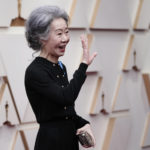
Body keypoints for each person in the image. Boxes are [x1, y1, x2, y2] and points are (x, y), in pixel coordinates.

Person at [24, 5, 97, 150]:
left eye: (67, 32)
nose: (65, 39)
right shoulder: (35, 71)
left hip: (69, 142)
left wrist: (83, 123)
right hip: (50, 143)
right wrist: (83, 66)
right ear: (41, 37)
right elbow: (66, 97)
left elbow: (64, 112)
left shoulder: (60, 67)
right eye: (59, 34)